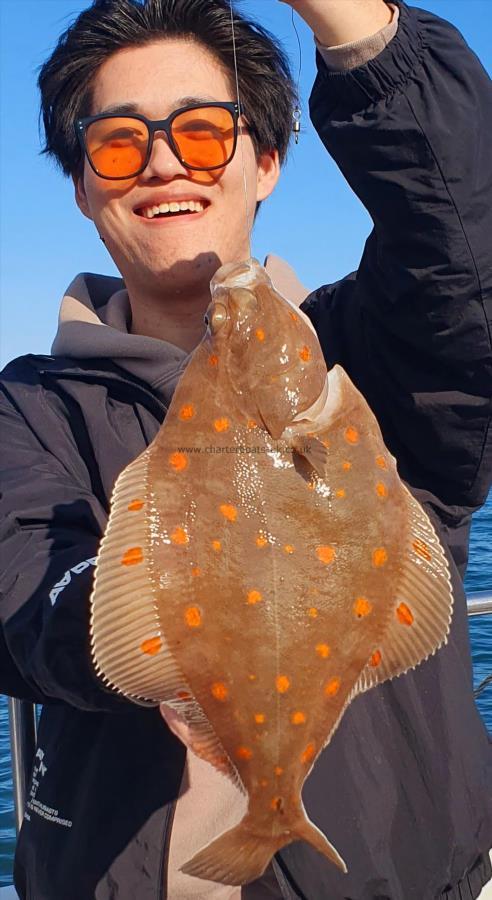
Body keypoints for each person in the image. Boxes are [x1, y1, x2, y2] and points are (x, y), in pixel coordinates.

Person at [0, 0, 491, 897]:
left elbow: (465, 239)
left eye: (202, 131)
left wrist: (355, 27)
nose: (161, 162)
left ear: (265, 162)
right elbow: (17, 588)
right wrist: (163, 638)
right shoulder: (24, 409)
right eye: (117, 144)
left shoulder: (381, 353)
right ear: (81, 185)